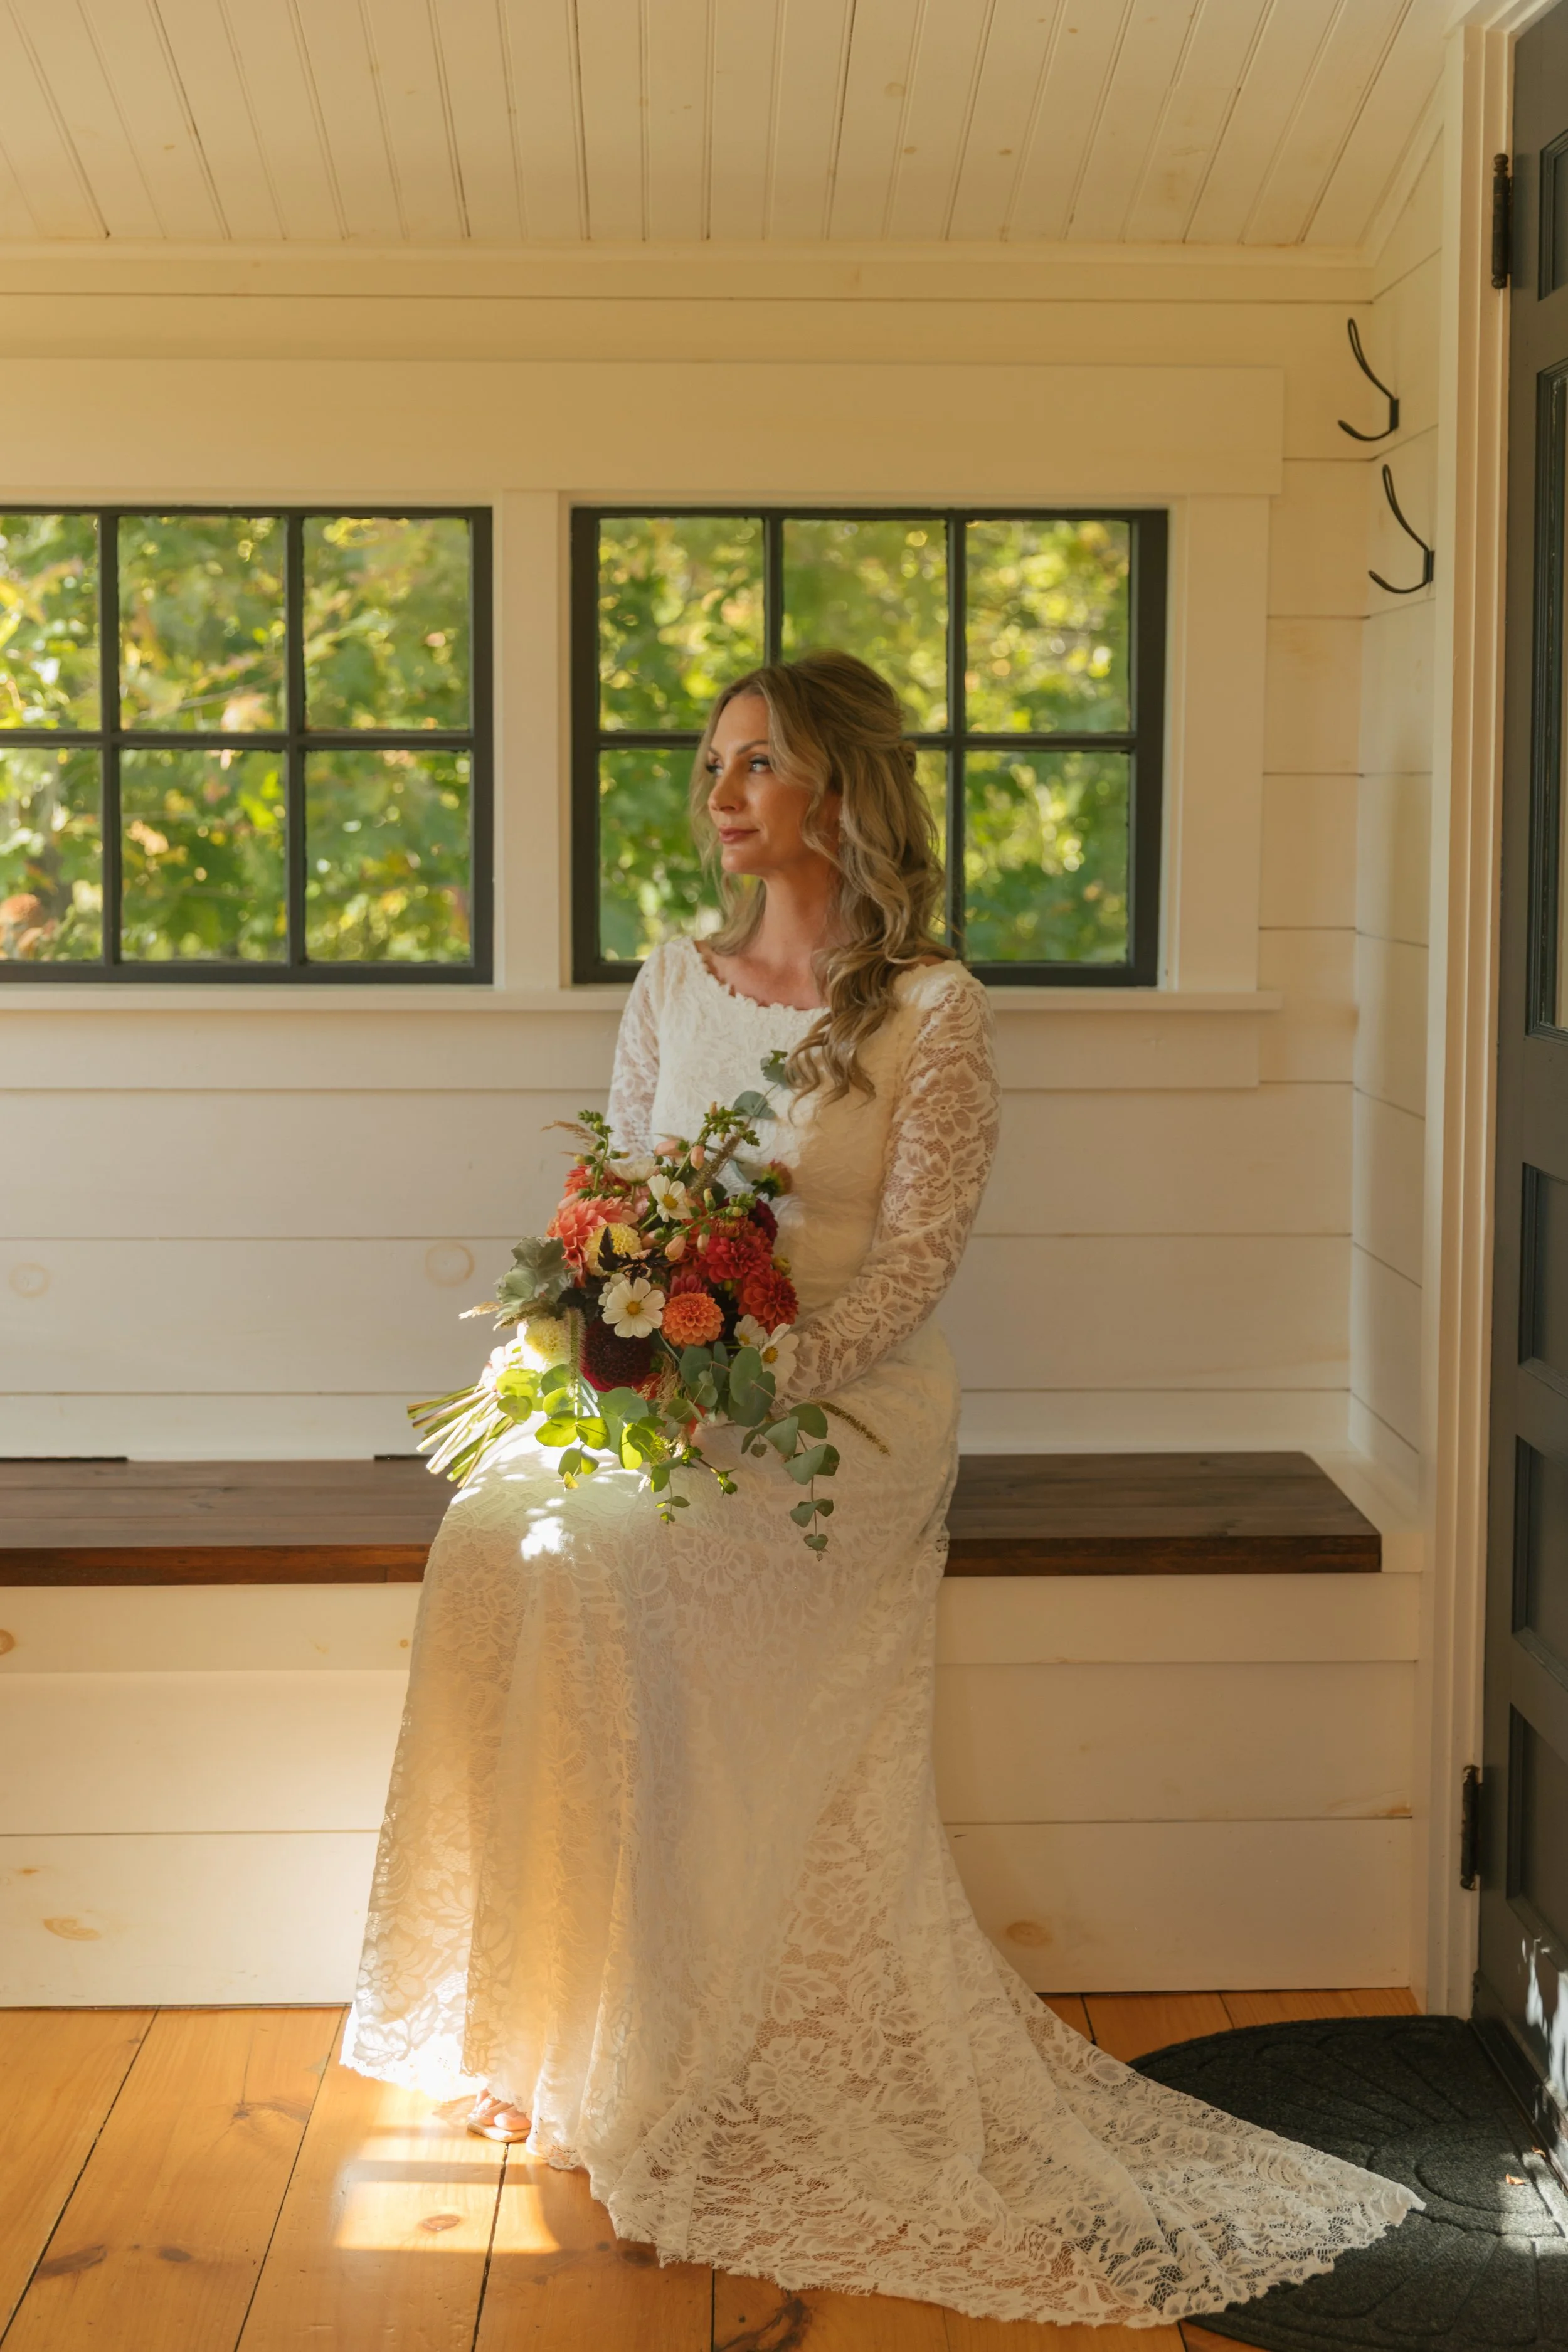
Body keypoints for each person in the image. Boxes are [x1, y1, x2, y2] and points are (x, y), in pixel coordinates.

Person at [345, 650, 1417, 2326]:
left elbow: (917, 1256)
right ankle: (545, 2026)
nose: (720, 792)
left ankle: (676, 2035)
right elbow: (617, 1194)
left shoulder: (931, 1005)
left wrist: (764, 1376)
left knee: (627, 1571)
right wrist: (610, 1343)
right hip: (671, 1385)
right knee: (505, 1532)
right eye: (713, 761)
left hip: (845, 1404)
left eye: (756, 762)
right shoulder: (671, 979)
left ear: (837, 792)